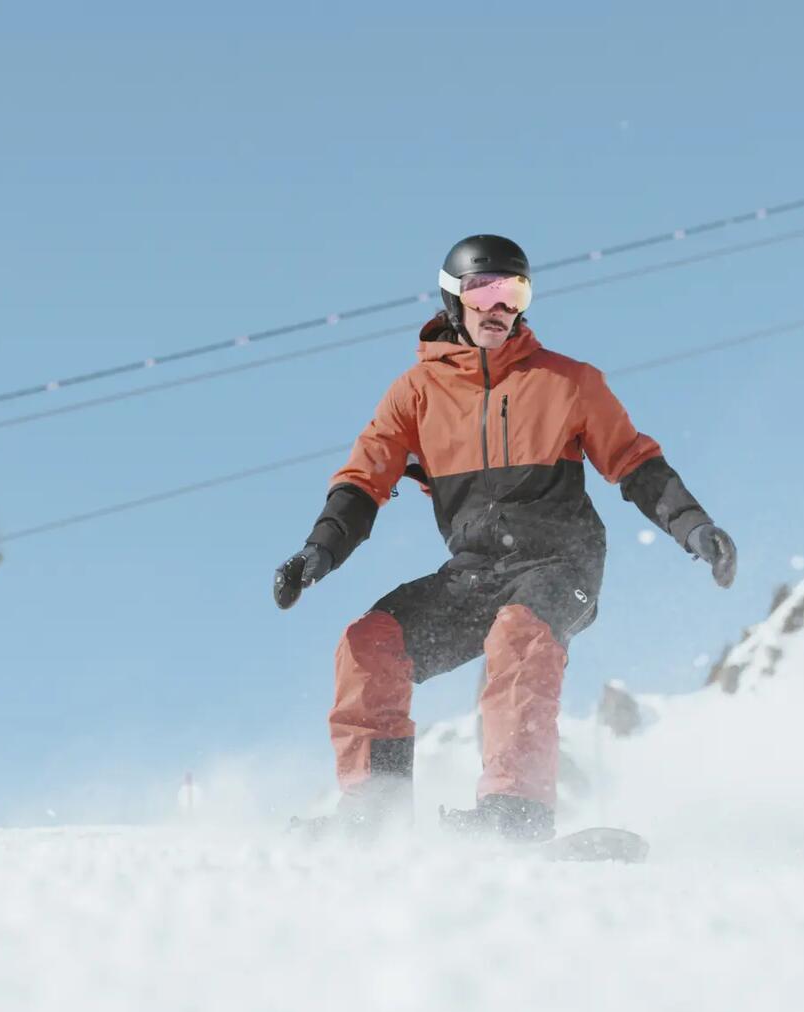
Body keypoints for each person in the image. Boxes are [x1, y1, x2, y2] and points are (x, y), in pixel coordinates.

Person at [275, 235, 736, 843]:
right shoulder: (416, 394)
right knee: (370, 644)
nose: (499, 306)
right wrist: (320, 551)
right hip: (476, 572)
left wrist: (694, 526)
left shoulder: (567, 382)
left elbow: (634, 463)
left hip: (560, 561)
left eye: (514, 291)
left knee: (519, 637)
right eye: (483, 290)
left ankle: (515, 815)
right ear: (451, 301)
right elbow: (363, 480)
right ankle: (373, 816)